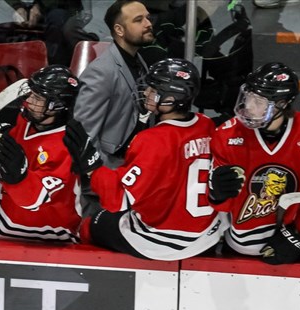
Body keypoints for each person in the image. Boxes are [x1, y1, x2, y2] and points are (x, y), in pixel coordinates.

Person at [65, 58, 226, 260]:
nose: (147, 93)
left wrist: (92, 166)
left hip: (162, 240)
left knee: (93, 223)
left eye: (154, 90)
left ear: (172, 99)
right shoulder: (205, 124)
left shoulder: (152, 141)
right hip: (207, 233)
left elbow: (118, 200)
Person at [207, 62, 300, 264]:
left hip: (297, 241)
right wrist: (217, 195)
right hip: (239, 244)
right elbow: (223, 207)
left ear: (282, 104)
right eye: (248, 96)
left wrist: (297, 236)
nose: (249, 106)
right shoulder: (226, 135)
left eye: (258, 101)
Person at [0, 65, 83, 242]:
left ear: (56, 105)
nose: (28, 101)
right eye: (31, 93)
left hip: (51, 239)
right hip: (6, 230)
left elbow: (33, 200)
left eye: (38, 97)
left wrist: (19, 177)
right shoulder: (25, 120)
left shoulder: (67, 145)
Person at [72, 0, 154, 169]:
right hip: (111, 171)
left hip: (133, 166)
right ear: (119, 30)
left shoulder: (139, 61)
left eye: (148, 17)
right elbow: (85, 135)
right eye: (139, 20)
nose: (148, 24)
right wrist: (102, 178)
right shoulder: (101, 71)